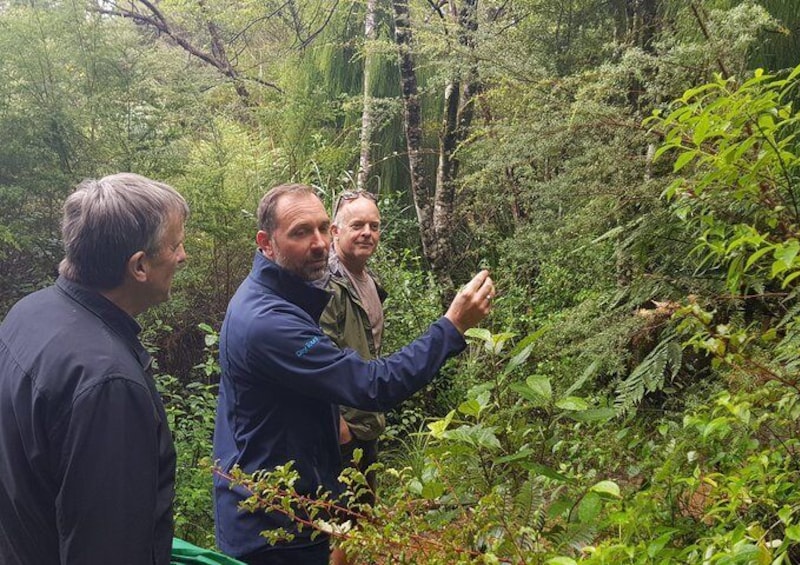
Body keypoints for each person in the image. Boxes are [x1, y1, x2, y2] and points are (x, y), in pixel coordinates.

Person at [213, 183, 495, 565]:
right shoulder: (269, 321)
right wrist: (452, 326)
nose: (318, 243)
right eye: (299, 232)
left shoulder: (286, 293)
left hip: (289, 500)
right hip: (273, 526)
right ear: (266, 242)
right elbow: (371, 384)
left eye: (321, 228)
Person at [0, 173, 189, 565]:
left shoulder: (29, 312)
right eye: (175, 245)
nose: (182, 256)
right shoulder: (108, 384)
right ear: (139, 266)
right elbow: (108, 549)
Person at [320, 191, 385, 565]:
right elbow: (318, 355)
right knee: (341, 523)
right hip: (345, 423)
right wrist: (336, 419)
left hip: (365, 417)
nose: (367, 233)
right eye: (357, 225)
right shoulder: (330, 283)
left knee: (360, 518)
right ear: (335, 231)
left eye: (373, 226)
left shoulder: (365, 279)